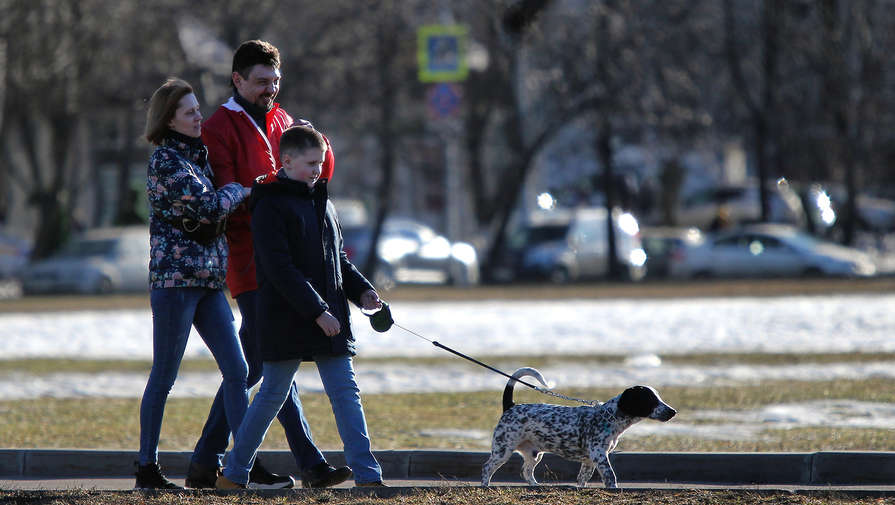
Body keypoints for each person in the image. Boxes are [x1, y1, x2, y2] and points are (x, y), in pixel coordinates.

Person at [187, 39, 346, 490]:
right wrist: (267, 191)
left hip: (290, 264)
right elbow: (228, 192)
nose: (270, 90)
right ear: (237, 80)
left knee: (267, 361)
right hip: (250, 260)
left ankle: (210, 463)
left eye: (275, 82)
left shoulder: (283, 119)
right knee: (264, 362)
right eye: (260, 82)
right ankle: (287, 462)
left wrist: (322, 144)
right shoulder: (220, 127)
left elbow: (317, 175)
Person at [215, 125, 385, 489]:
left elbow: (337, 260)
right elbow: (279, 268)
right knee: (272, 394)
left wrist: (363, 292)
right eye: (310, 163)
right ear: (286, 160)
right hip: (286, 319)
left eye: (321, 163)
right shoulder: (270, 204)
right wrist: (317, 311)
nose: (317, 170)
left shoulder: (323, 201)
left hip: (328, 319)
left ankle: (369, 477)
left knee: (345, 391)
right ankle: (233, 473)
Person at [136, 78, 251, 489]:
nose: (198, 116)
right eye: (189, 111)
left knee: (238, 370)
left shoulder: (198, 157)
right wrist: (239, 188)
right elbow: (207, 205)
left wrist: (230, 191)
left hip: (209, 282)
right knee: (164, 376)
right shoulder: (166, 161)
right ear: (169, 120)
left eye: (198, 108)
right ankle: (147, 468)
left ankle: (240, 467)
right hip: (174, 283)